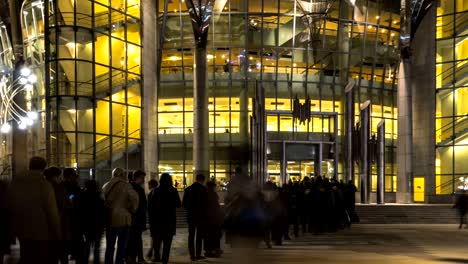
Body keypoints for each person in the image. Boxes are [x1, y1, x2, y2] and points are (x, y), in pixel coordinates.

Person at [6, 157, 62, 264]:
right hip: (41, 229)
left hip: (20, 228)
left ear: (30, 165)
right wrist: (57, 232)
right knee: (39, 258)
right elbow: (51, 211)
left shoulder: (15, 182)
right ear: (43, 167)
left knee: (26, 255)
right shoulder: (44, 184)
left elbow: (9, 204)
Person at [103, 168, 139, 264]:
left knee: (110, 245)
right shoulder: (126, 186)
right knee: (122, 245)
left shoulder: (106, 186)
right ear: (122, 174)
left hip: (109, 219)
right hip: (123, 218)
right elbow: (134, 199)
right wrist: (131, 208)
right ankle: (119, 262)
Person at [149, 173, 181, 264]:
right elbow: (178, 204)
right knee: (167, 244)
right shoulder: (173, 191)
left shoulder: (155, 191)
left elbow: (150, 207)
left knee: (157, 242)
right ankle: (165, 260)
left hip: (157, 221)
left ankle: (157, 257)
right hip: (169, 221)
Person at [44, 167, 70, 264]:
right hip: (59, 221)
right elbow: (65, 203)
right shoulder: (58, 187)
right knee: (61, 250)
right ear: (56, 176)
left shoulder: (42, 185)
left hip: (44, 224)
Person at [61, 167, 85, 263]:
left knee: (64, 252)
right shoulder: (72, 187)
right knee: (79, 251)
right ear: (70, 176)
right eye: (75, 175)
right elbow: (71, 196)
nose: (77, 177)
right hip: (74, 222)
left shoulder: (60, 186)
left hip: (65, 223)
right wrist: (71, 198)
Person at [183, 174, 208, 261]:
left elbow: (184, 204)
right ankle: (198, 254)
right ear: (202, 180)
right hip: (200, 216)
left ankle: (191, 255)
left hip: (191, 216)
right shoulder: (204, 190)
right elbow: (206, 204)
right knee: (199, 236)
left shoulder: (188, 189)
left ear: (196, 179)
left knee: (191, 235)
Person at [81, 180, 105, 264]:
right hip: (97, 225)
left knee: (86, 245)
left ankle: (85, 260)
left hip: (86, 225)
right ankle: (96, 261)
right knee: (97, 246)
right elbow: (103, 212)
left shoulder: (82, 197)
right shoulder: (99, 198)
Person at [127, 170, 147, 264]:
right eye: (142, 178)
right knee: (136, 239)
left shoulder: (128, 187)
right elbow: (143, 206)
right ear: (137, 178)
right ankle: (135, 258)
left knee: (132, 239)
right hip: (136, 219)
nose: (143, 180)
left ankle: (132, 258)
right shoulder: (138, 189)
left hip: (130, 218)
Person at [204, 181, 223, 257]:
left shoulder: (205, 193)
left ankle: (209, 249)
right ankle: (214, 249)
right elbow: (215, 206)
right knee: (214, 234)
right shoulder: (212, 194)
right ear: (212, 186)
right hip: (213, 218)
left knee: (208, 235)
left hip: (207, 218)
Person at [146, 179, 159, 260]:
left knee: (154, 236)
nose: (148, 186)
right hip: (157, 218)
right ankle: (151, 252)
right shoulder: (158, 192)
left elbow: (149, 207)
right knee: (155, 236)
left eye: (148, 184)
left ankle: (153, 253)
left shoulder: (151, 193)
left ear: (151, 185)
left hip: (154, 219)